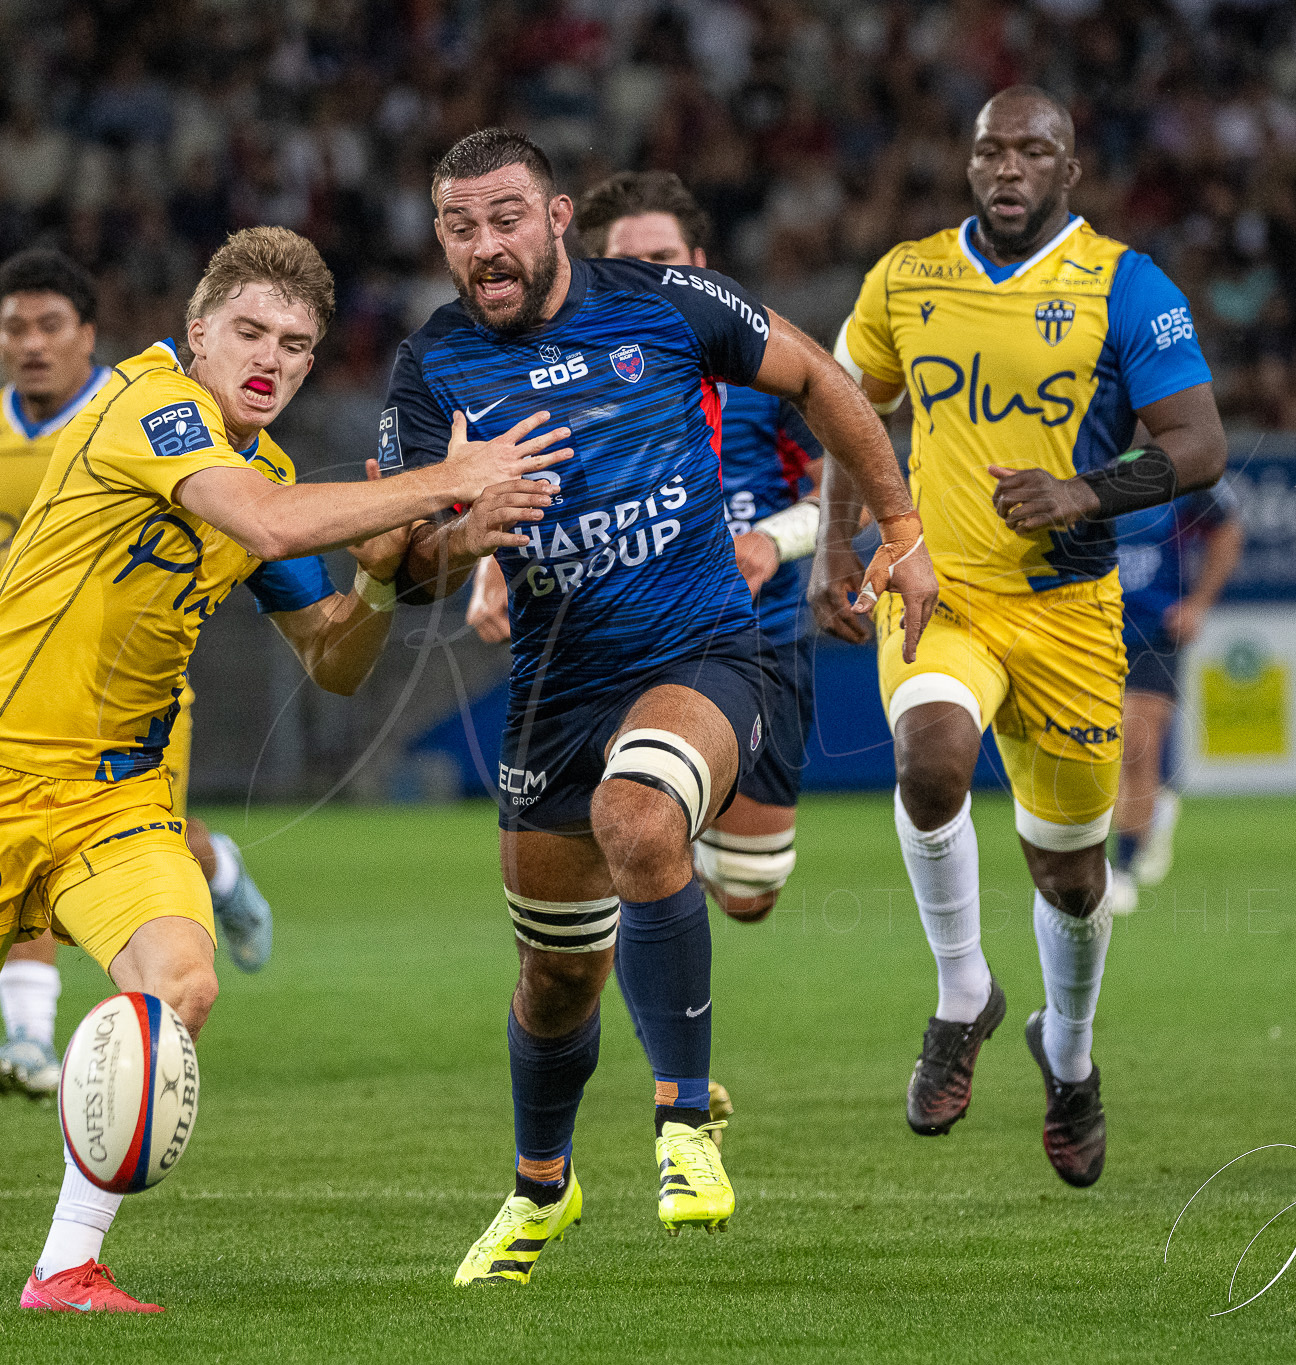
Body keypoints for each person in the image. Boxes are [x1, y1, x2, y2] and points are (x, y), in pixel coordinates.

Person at [0, 226, 565, 1312]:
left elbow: (334, 659)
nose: (270, 359)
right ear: (197, 333)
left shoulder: (265, 468)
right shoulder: (148, 406)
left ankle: (65, 1266)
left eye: (295, 344)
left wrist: (389, 578)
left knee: (181, 985)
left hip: (118, 801)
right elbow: (267, 525)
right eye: (249, 331)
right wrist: (446, 480)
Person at [383, 129, 933, 1287]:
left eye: (505, 218)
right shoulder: (431, 367)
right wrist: (460, 539)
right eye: (459, 227)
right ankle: (541, 1188)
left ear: (557, 218)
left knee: (639, 816)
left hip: (703, 652)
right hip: (553, 692)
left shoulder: (664, 303)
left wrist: (899, 529)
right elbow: (400, 566)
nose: (484, 246)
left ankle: (683, 1123)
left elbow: (823, 381)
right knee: (554, 979)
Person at [817, 86, 1225, 1186]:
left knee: (1072, 878)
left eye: (1032, 151)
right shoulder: (905, 276)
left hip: (1069, 613)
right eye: (990, 149)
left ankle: (1069, 1052)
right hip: (939, 590)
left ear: (1068, 170)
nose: (1008, 167)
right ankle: (963, 994)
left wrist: (1085, 492)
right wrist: (832, 548)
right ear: (968, 163)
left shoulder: (1125, 284)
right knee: (930, 762)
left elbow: (1199, 444)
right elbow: (850, 409)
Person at [0, 248, 277, 1105]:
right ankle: (31, 1034)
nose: (32, 344)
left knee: (156, 847)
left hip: (135, 699)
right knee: (22, 851)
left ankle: (220, 871)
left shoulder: (139, 411)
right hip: (25, 685)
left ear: (88, 335)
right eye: (14, 328)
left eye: (51, 325)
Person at [469, 170, 827, 925]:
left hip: (759, 640)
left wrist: (771, 539)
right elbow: (505, 495)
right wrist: (488, 565)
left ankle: (673, 851)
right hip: (614, 648)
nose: (651, 281)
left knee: (749, 894)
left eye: (664, 260)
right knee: (636, 837)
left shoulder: (768, 375)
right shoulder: (562, 386)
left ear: (700, 264)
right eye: (628, 265)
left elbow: (843, 498)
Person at [1102, 483, 1245, 915]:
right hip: (1092, 628)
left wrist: (1197, 604)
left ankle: (1122, 870)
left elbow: (1228, 530)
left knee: (1136, 744)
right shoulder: (1082, 462)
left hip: (1155, 630)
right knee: (1099, 751)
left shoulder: (1179, 474)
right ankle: (1154, 809)